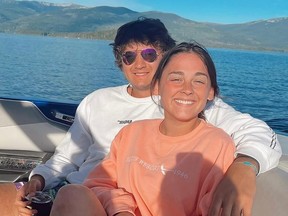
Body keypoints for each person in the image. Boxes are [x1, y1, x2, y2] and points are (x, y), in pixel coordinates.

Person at [8, 17, 280, 216]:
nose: (139, 63)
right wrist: (39, 178)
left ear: (165, 56)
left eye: (149, 53)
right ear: (120, 61)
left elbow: (259, 133)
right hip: (78, 191)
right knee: (6, 198)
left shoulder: (184, 103)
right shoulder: (97, 101)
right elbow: (68, 157)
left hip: (107, 204)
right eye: (129, 56)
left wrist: (244, 168)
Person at [50, 41, 236, 216]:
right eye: (176, 78)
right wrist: (122, 210)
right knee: (71, 194)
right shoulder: (131, 134)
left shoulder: (218, 146)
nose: (187, 89)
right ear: (157, 87)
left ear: (211, 92)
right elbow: (98, 184)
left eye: (198, 81)